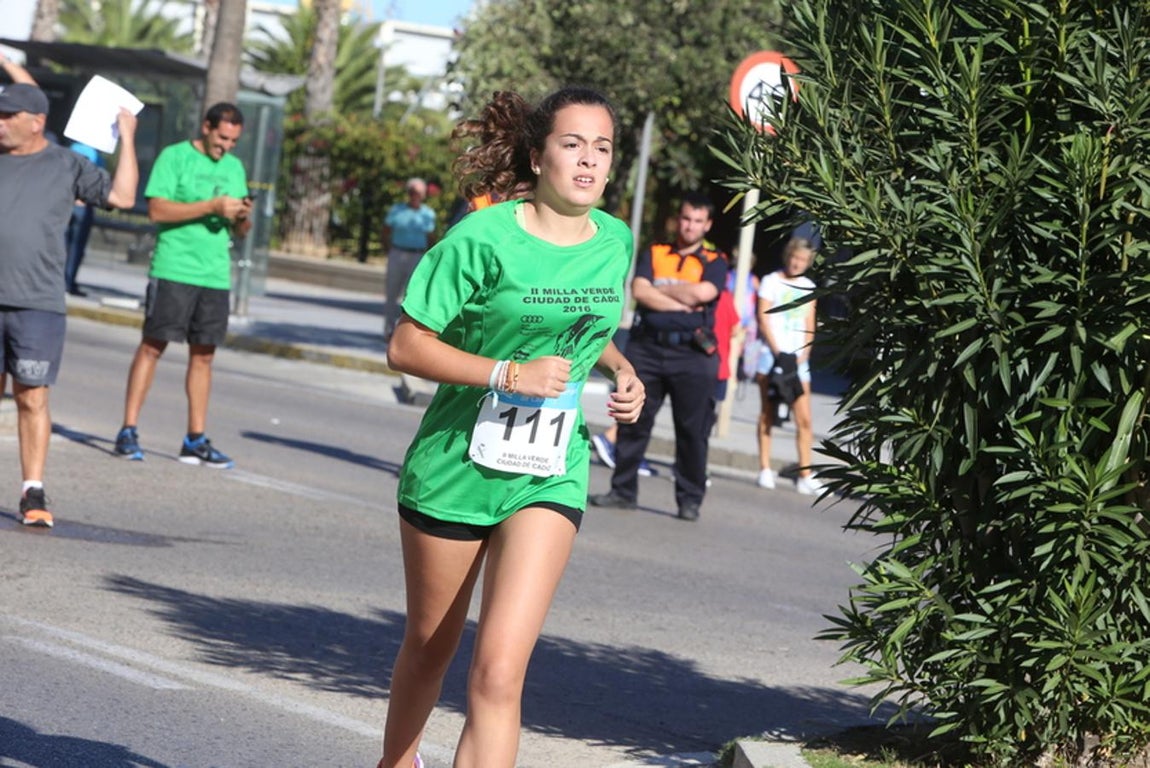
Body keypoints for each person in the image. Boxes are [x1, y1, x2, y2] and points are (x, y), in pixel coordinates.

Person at [377, 86, 645, 768]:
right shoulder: (481, 238)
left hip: (549, 471)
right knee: (430, 649)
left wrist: (619, 369)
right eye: (572, 144)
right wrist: (506, 374)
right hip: (455, 467)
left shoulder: (615, 240)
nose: (589, 161)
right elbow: (406, 347)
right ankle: (395, 762)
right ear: (538, 155)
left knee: (499, 671)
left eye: (603, 148)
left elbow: (588, 328)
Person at [0, 79, 139, 527]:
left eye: (8, 117)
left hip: (37, 302)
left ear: (37, 122)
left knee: (32, 397)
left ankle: (32, 491)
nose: (0, 123)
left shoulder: (66, 164)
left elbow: (122, 197)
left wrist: (128, 137)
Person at [112, 102, 252, 468]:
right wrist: (211, 206)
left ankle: (195, 438)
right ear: (206, 127)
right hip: (174, 268)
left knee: (204, 355)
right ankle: (127, 430)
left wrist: (241, 217)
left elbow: (239, 229)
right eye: (222, 137)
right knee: (153, 346)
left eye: (234, 140)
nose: (227, 146)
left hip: (214, 274)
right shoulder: (174, 157)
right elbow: (157, 210)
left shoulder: (235, 167)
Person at [589, 193, 729, 521]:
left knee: (692, 431)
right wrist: (683, 302)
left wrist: (659, 292)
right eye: (685, 219)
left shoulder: (714, 260)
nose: (690, 226)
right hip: (648, 349)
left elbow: (704, 293)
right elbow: (639, 290)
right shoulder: (656, 252)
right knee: (632, 421)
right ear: (677, 219)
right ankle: (622, 491)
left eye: (697, 221)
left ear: (707, 225)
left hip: (692, 355)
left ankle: (690, 499)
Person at [754, 236, 824, 495]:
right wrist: (778, 352)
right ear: (788, 256)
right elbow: (763, 317)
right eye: (795, 257)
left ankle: (805, 472)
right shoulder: (771, 281)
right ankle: (764, 467)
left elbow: (809, 323)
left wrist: (803, 353)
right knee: (768, 414)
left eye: (803, 260)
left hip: (798, 362)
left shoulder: (809, 286)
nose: (797, 263)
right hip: (771, 357)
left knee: (804, 418)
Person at [382, 177, 437, 340]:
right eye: (413, 192)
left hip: (417, 255)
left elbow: (431, 236)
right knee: (392, 292)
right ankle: (388, 329)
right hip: (398, 252)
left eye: (419, 193)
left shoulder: (427, 214)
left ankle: (402, 332)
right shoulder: (397, 210)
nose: (415, 196)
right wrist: (389, 250)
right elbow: (385, 230)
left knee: (411, 294)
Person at [64, 141, 104, 296]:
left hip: (67, 202)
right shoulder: (95, 155)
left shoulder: (72, 148)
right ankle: (68, 282)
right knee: (76, 247)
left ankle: (62, 282)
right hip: (83, 204)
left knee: (62, 245)